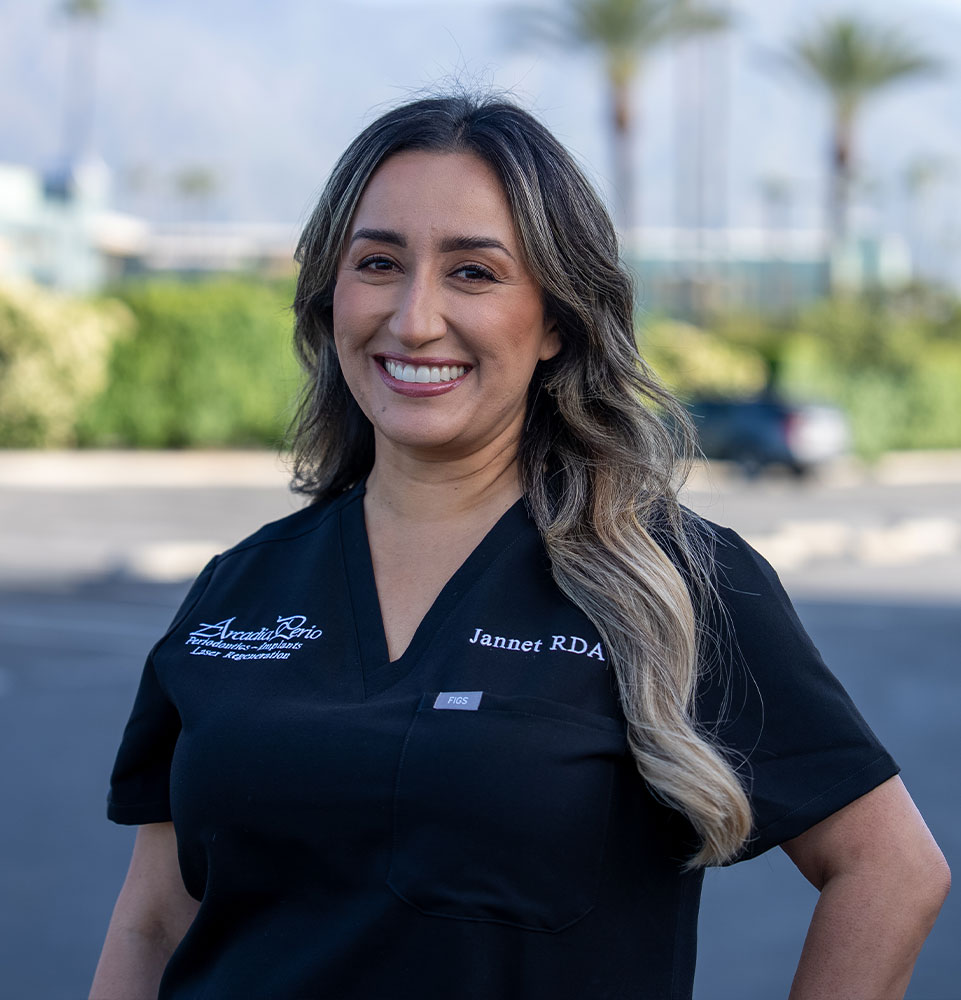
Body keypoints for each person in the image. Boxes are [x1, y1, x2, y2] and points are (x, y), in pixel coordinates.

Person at [90, 93, 949, 1000]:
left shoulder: (670, 580)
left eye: (473, 272)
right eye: (378, 263)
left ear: (555, 322)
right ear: (329, 296)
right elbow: (155, 919)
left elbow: (890, 870)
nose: (414, 318)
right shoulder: (236, 591)